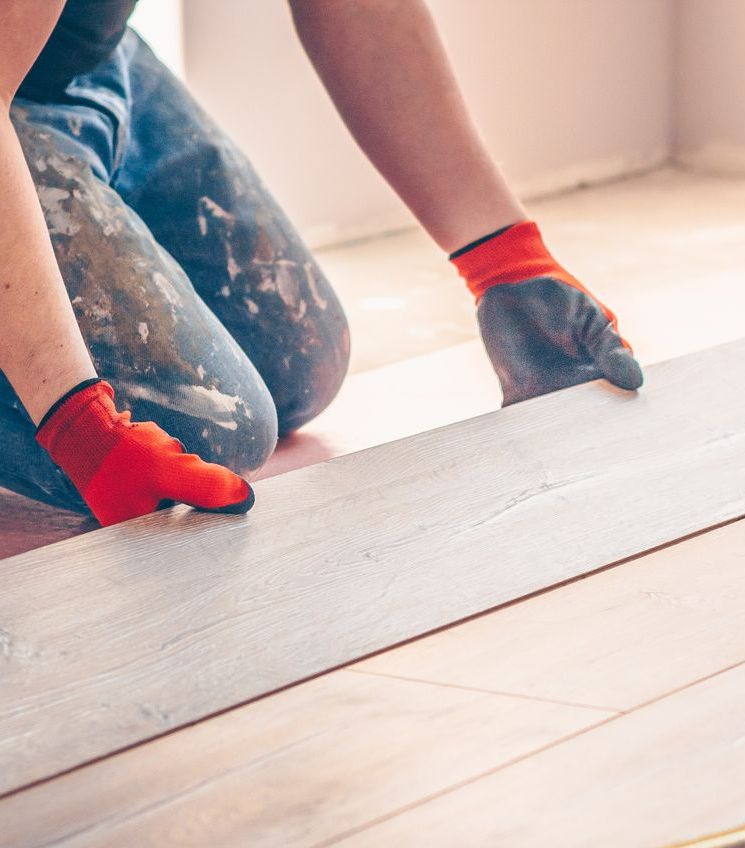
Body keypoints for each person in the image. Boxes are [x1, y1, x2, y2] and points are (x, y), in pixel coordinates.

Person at [0, 0, 643, 526]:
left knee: (300, 365)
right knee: (203, 429)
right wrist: (81, 428)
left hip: (86, 55)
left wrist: (506, 262)